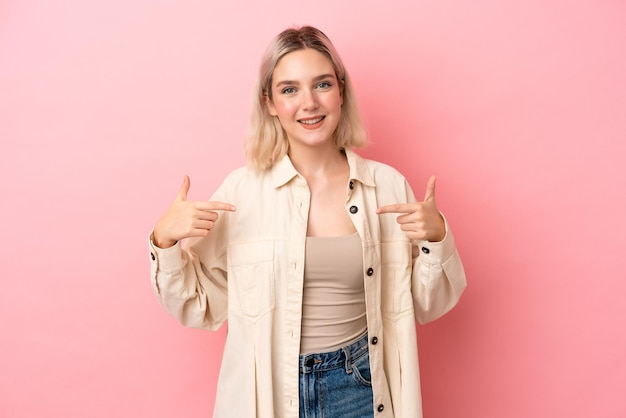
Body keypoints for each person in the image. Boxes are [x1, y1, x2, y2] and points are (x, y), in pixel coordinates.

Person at [149, 25, 466, 418]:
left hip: (360, 386)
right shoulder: (240, 193)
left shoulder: (386, 187)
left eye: (322, 84)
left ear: (341, 90)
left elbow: (427, 304)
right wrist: (164, 242)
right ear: (269, 102)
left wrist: (437, 239)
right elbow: (201, 307)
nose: (309, 103)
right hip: (269, 392)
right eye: (289, 89)